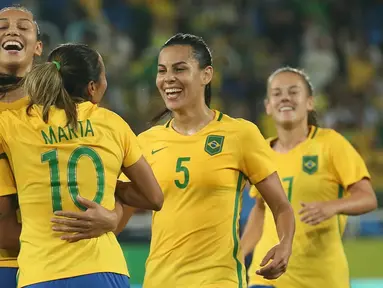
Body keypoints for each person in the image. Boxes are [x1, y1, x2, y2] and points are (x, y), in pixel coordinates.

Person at [56, 33, 296, 287]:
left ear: (206, 75)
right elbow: (122, 211)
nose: (168, 78)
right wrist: (105, 221)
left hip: (218, 280)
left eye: (180, 69)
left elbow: (281, 206)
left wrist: (285, 244)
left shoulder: (240, 134)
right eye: (162, 71)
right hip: (159, 281)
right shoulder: (146, 142)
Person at [0, 43, 163, 288]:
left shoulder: (13, 124)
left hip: (40, 273)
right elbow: (154, 198)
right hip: (103, 270)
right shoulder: (112, 124)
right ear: (92, 88)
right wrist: (110, 189)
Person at [241, 67, 377, 288]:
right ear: (268, 106)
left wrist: (332, 206)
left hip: (322, 279)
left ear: (310, 102)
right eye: (277, 93)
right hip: (265, 278)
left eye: (293, 92)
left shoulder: (331, 144)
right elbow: (260, 209)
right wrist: (238, 255)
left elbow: (368, 198)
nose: (285, 97)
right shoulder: (261, 152)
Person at [0, 5, 42, 288]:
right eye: (2, 27)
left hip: (49, 265)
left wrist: (111, 220)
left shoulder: (61, 112)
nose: (12, 30)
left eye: (23, 27)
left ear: (38, 47)